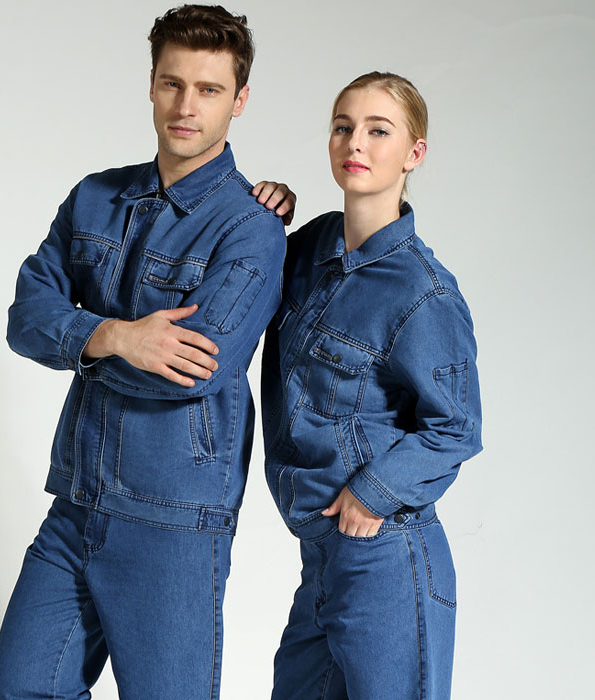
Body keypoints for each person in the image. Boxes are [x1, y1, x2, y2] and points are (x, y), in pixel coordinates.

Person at [0, 6, 294, 699]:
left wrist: (76, 334)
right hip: (76, 501)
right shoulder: (95, 198)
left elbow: (193, 370)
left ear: (240, 100)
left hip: (171, 519)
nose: (186, 107)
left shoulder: (251, 227)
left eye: (209, 90)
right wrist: (115, 336)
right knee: (20, 689)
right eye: (172, 83)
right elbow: (25, 317)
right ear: (151, 84)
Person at [256, 72, 483, 699]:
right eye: (343, 126)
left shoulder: (423, 292)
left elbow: (457, 427)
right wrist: (260, 215)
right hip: (319, 558)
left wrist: (373, 492)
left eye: (379, 130)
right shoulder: (308, 249)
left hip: (387, 557)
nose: (355, 142)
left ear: (414, 153)